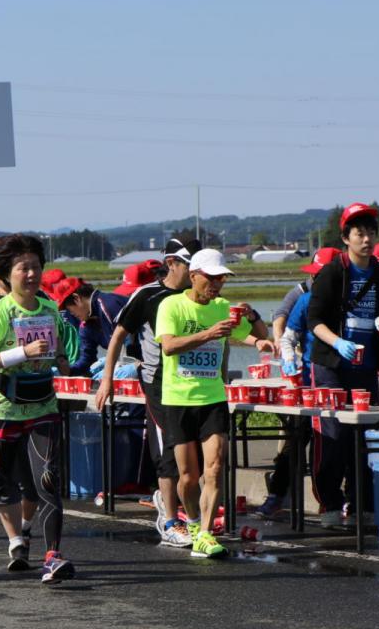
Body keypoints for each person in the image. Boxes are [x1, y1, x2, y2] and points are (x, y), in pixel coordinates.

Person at [0, 234, 76, 584]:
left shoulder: (49, 309)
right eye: (22, 268)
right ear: (6, 274)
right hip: (3, 408)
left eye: (35, 267)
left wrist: (62, 361)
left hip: (42, 404)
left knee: (49, 479)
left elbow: (59, 351)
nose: (31, 274)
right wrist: (22, 354)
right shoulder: (0, 313)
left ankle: (52, 557)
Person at [156, 249, 273, 557]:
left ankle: (206, 534)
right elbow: (168, 347)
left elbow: (258, 335)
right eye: (211, 277)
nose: (217, 283)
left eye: (222, 278)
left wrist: (254, 322)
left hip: (213, 398)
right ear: (193, 275)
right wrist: (209, 334)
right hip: (178, 399)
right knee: (188, 477)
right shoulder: (172, 305)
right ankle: (193, 522)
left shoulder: (223, 307)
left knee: (216, 467)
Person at [95, 239, 197, 547]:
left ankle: (187, 513)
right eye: (190, 266)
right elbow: (118, 335)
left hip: (193, 384)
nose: (196, 273)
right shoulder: (148, 294)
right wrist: (107, 378)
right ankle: (169, 521)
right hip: (158, 383)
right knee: (168, 450)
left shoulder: (198, 294)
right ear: (172, 263)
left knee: (194, 453)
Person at [306, 202, 379, 526]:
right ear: (346, 237)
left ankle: (361, 505)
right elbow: (314, 320)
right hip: (330, 363)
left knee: (364, 435)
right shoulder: (333, 272)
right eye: (359, 233)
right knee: (333, 437)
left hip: (365, 364)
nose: (366, 239)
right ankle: (330, 502)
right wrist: (337, 342)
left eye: (371, 232)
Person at [263, 247, 342, 517]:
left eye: (322, 275)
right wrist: (288, 356)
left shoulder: (352, 298)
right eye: (314, 274)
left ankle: (350, 501)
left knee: (342, 442)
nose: (316, 280)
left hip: (342, 379)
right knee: (297, 436)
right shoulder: (305, 297)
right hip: (309, 378)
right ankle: (277, 495)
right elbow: (284, 327)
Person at [54, 278, 128, 375]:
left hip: (141, 360)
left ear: (77, 298)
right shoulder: (85, 326)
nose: (71, 314)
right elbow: (87, 359)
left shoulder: (109, 305)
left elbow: (129, 342)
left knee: (112, 374)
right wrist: (70, 370)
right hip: (122, 360)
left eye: (69, 309)